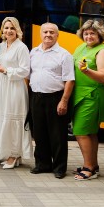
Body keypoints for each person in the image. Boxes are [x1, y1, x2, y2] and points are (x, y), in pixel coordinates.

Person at [28, 22, 75, 178]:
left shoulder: (64, 54)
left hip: (55, 97)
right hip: (36, 97)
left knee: (57, 135)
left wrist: (64, 101)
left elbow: (69, 80)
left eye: (52, 32)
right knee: (39, 133)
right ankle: (42, 164)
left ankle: (59, 167)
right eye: (45, 32)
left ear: (57, 35)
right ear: (40, 34)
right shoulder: (33, 52)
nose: (48, 35)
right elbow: (28, 75)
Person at [71, 19, 104, 181]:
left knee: (80, 131)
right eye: (86, 33)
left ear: (99, 35)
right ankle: (93, 165)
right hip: (79, 93)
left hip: (92, 94)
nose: (88, 36)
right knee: (90, 132)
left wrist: (87, 71)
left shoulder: (103, 51)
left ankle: (88, 168)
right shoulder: (81, 47)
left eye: (92, 33)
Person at [0, 16, 31, 169]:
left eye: (12, 28)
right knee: (3, 118)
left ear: (17, 30)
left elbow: (25, 70)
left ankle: (15, 154)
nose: (9, 31)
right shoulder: (1, 46)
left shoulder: (21, 47)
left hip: (15, 87)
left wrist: (7, 70)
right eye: (6, 28)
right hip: (2, 85)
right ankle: (10, 153)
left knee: (14, 120)